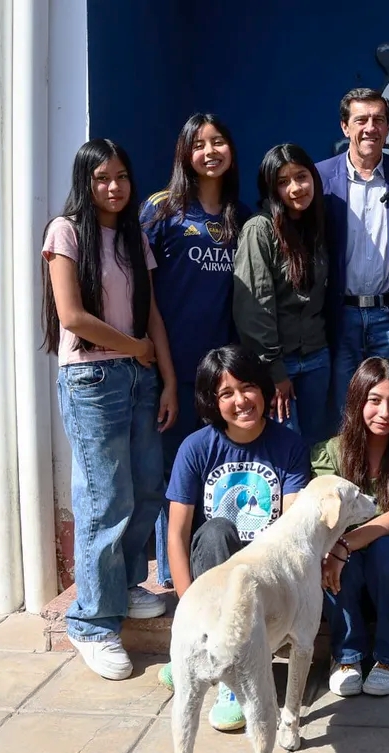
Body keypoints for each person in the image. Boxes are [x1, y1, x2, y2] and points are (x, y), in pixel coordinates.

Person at [41, 139, 176, 680]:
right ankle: (92, 622)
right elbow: (71, 316)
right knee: (105, 498)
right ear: (85, 181)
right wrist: (133, 347)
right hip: (92, 377)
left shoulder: (133, 236)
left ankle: (119, 586)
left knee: (145, 486)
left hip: (140, 376)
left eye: (121, 176)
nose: (114, 187)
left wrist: (164, 375)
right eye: (102, 179)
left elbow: (153, 314)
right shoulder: (66, 232)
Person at [159, 345, 312, 731]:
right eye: (226, 394)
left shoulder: (289, 446)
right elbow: (176, 535)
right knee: (216, 530)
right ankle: (209, 659)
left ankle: (229, 672)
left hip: (266, 577)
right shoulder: (196, 447)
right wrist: (186, 616)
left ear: (263, 389)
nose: (241, 401)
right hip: (213, 571)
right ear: (213, 401)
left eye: (247, 388)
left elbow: (292, 529)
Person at [142, 113, 246, 587]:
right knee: (176, 475)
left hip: (221, 375)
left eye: (218, 142)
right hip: (171, 369)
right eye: (199, 144)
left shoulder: (239, 217)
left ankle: (208, 569)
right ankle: (172, 572)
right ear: (185, 153)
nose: (210, 151)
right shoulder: (162, 212)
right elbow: (141, 296)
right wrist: (164, 374)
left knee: (215, 469)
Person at [312, 357, 389, 697]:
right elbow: (328, 515)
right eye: (374, 400)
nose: (385, 412)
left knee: (385, 546)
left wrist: (344, 545)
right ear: (356, 401)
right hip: (341, 578)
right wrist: (339, 549)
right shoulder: (328, 454)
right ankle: (347, 655)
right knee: (332, 555)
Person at [316, 88, 389, 417]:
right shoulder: (320, 178)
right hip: (340, 315)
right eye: (361, 119)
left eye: (378, 120)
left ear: (388, 127)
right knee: (343, 411)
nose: (370, 127)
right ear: (345, 127)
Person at [234, 143, 333, 445]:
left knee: (318, 448)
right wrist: (274, 372)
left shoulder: (315, 226)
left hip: (317, 358)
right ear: (270, 188)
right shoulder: (259, 229)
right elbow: (255, 307)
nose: (295, 188)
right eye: (283, 181)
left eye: (301, 177)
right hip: (280, 363)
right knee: (285, 448)